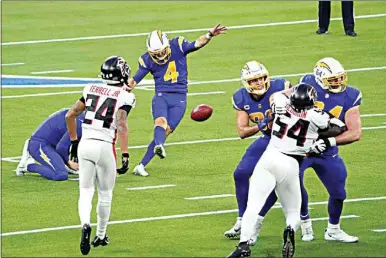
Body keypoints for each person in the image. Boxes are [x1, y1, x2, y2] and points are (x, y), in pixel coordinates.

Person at [227, 83, 342, 258]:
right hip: (291, 163)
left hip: (269, 158)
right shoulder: (315, 116)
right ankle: (289, 229)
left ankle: (243, 245)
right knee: (293, 211)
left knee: (253, 205)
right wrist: (321, 128)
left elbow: (278, 95)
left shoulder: (280, 103)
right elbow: (338, 127)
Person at [126, 24, 227, 177]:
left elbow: (196, 43)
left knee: (166, 130)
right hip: (162, 96)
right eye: (156, 53)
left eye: (161, 52)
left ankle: (141, 165)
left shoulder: (177, 45)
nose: (159, 56)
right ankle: (158, 145)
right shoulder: (147, 60)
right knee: (160, 122)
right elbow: (134, 80)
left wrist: (209, 35)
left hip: (180, 98)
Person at [65, 56, 136, 255]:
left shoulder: (90, 89)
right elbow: (121, 125)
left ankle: (85, 224)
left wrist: (73, 141)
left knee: (86, 191)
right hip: (105, 146)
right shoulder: (127, 97)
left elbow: (70, 115)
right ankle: (101, 234)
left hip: (85, 143)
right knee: (105, 193)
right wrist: (125, 154)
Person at [224, 61, 292, 245]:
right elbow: (242, 131)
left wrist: (283, 102)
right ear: (246, 82)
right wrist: (262, 124)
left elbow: (302, 99)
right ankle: (241, 218)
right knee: (241, 173)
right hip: (268, 138)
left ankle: (257, 220)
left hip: (289, 141)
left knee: (279, 182)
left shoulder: (281, 87)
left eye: (261, 78)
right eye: (254, 80)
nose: (259, 82)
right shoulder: (240, 98)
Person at [298, 57, 361, 243]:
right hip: (301, 148)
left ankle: (333, 229)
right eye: (332, 80)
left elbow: (355, 132)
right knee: (293, 185)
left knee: (339, 193)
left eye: (340, 78)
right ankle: (304, 222)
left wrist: (329, 142)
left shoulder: (351, 95)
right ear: (319, 79)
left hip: (326, 151)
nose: (338, 82)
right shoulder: (307, 84)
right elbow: (287, 100)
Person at [15, 108, 83, 181]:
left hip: (53, 146)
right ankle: (28, 166)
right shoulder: (80, 124)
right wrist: (69, 163)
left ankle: (62, 164)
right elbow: (61, 147)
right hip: (40, 145)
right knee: (60, 174)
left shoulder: (82, 118)